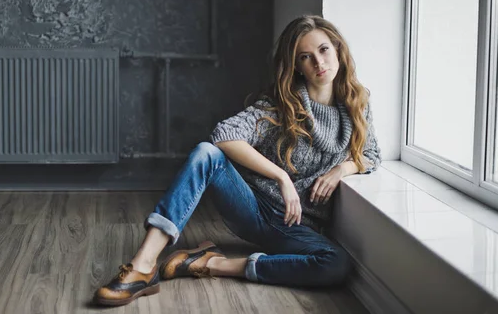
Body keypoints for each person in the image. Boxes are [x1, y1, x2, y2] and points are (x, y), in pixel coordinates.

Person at [92, 15, 382, 306]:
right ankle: (143, 266)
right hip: (253, 208)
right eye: (305, 57)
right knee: (207, 153)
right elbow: (224, 134)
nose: (319, 63)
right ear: (296, 66)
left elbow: (371, 155)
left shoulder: (357, 103)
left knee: (336, 264)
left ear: (337, 50)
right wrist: (281, 178)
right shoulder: (283, 105)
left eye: (323, 50)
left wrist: (342, 169)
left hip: (297, 227)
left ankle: (213, 263)